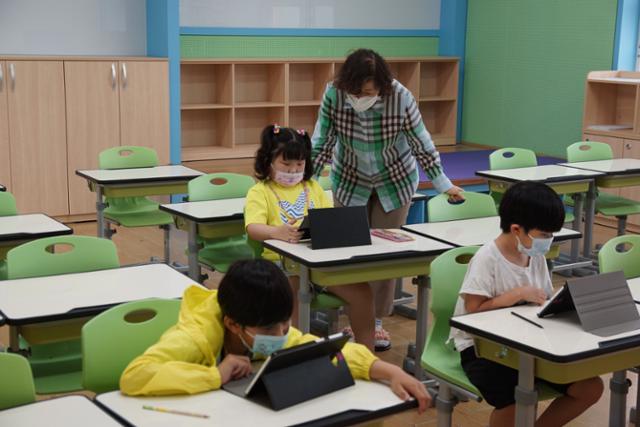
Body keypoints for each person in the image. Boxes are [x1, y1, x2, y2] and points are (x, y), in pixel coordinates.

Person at [120, 259, 431, 414]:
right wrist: (214, 375)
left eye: (284, 324)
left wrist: (386, 370)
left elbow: (318, 349)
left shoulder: (268, 324)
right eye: (270, 330)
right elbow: (134, 376)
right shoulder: (195, 334)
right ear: (232, 324)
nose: (281, 335)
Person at [311, 48, 464, 350]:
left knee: (383, 253)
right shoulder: (334, 94)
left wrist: (443, 184)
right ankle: (350, 313)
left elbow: (421, 142)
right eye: (359, 92)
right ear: (347, 84)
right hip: (349, 177)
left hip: (394, 180)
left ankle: (376, 321)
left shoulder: (400, 96)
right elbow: (323, 141)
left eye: (371, 92)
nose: (364, 97)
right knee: (348, 248)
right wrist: (307, 184)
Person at [450, 181, 603, 427]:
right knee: (516, 402)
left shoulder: (535, 255)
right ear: (517, 229)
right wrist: (516, 294)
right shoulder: (487, 259)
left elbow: (542, 299)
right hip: (482, 348)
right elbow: (473, 310)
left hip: (529, 343)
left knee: (590, 387)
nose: (548, 241)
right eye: (544, 235)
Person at [244, 124, 375, 351]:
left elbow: (329, 218)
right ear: (268, 161)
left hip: (320, 265)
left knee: (362, 292)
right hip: (282, 266)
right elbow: (253, 227)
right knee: (291, 290)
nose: (293, 170)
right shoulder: (260, 191)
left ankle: (367, 354)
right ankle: (294, 353)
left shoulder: (313, 187)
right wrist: (276, 232)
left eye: (300, 164)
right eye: (286, 163)